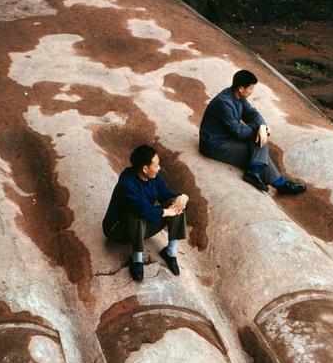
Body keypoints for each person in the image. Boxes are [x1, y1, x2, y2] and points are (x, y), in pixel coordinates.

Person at [199, 69, 306, 195]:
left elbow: (253, 114)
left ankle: (255, 172)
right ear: (241, 88)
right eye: (250, 89)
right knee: (258, 144)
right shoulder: (224, 103)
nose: (251, 92)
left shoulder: (238, 97)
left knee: (259, 143)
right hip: (214, 145)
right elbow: (239, 132)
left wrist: (262, 126)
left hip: (228, 138)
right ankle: (280, 184)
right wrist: (261, 129)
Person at [102, 144, 189, 282]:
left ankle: (170, 252)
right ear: (145, 168)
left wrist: (183, 197)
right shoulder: (127, 182)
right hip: (118, 230)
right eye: (156, 165)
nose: (159, 168)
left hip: (141, 228)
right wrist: (168, 212)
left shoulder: (155, 176)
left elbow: (165, 195)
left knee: (176, 203)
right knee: (136, 211)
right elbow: (143, 210)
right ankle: (137, 259)